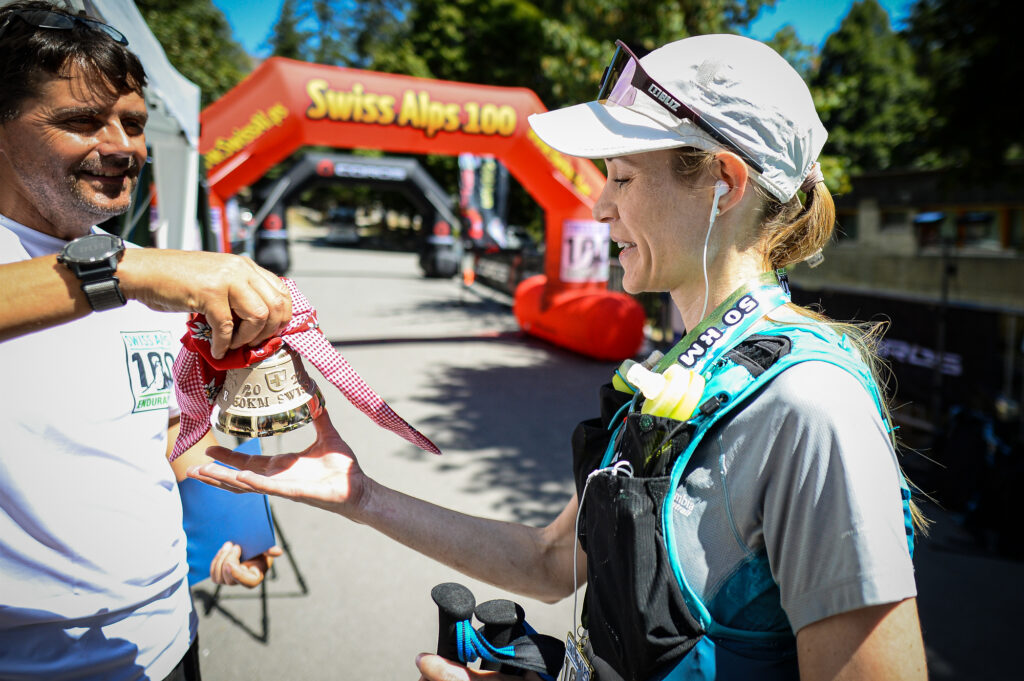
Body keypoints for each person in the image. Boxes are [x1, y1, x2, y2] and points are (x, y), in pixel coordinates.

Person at [189, 34, 928, 681]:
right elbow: (550, 563)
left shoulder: (811, 405)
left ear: (724, 185)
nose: (600, 207)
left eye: (624, 178)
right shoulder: (693, 368)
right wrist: (361, 495)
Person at [0, 2, 290, 678]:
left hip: (169, 642)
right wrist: (127, 270)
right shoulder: (139, 272)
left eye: (132, 122)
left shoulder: (149, 281)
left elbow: (162, 435)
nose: (123, 145)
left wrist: (226, 529)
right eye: (80, 121)